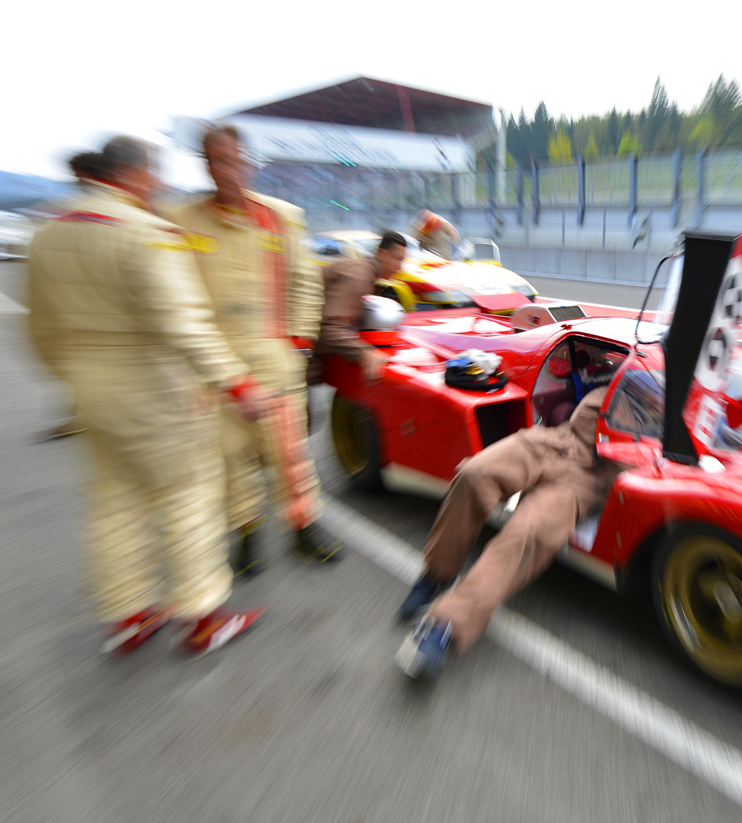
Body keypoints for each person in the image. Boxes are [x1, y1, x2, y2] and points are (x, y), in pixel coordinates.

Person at [26, 135, 269, 655]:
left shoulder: (48, 233)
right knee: (189, 497)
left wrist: (71, 377)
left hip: (91, 388)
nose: (157, 184)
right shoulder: (146, 231)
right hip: (155, 388)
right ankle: (204, 616)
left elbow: (40, 328)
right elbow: (184, 323)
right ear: (135, 174)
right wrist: (236, 381)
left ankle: (128, 613)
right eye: (153, 174)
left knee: (114, 502)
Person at [169, 125, 341, 578]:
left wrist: (299, 343)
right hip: (215, 366)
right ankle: (246, 534)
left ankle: (305, 529)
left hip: (274, 360)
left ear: (247, 163)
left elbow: (306, 283)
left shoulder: (281, 217)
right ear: (205, 166)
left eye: (233, 160)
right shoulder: (183, 221)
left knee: (291, 454)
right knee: (230, 456)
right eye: (215, 162)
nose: (226, 171)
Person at [395, 384, 624, 679]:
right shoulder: (636, 370)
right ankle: (437, 572)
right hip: (557, 441)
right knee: (474, 474)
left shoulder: (687, 418)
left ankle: (445, 624)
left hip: (589, 479)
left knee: (526, 534)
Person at [43, 152, 110, 441]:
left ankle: (85, 415)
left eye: (77, 173)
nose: (75, 179)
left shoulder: (103, 206)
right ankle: (80, 414)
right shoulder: (79, 206)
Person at [312, 229, 408, 386]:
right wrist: (365, 353)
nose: (400, 267)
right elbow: (329, 328)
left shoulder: (365, 272)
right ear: (382, 254)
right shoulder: (360, 277)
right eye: (397, 259)